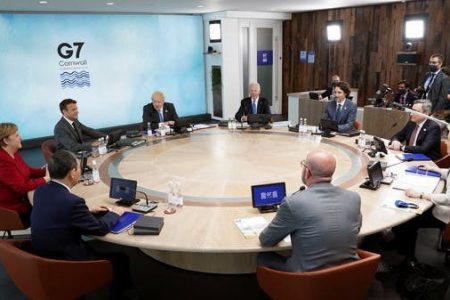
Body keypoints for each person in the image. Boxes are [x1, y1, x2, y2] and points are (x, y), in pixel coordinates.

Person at [31, 150, 133, 298]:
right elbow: (100, 229)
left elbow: (58, 214)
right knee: (120, 259)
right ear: (72, 173)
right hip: (67, 259)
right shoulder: (72, 202)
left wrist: (88, 212)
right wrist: (115, 213)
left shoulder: (41, 190)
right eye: (79, 168)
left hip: (42, 253)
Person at [257, 150, 362, 272]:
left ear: (307, 172)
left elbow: (266, 240)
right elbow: (356, 229)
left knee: (263, 257)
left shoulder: (293, 203)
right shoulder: (354, 198)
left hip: (307, 279)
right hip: (349, 273)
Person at [391, 132, 450, 261]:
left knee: (408, 220)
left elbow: (448, 199)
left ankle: (406, 257)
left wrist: (422, 194)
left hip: (445, 214)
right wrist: (433, 169)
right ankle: (398, 244)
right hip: (443, 205)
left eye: (449, 140)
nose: (446, 142)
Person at [0, 123, 47, 226]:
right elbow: (21, 187)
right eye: (16, 135)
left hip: (24, 200)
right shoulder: (2, 161)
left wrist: (48, 170)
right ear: (6, 141)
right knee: (51, 209)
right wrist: (46, 179)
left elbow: (28, 171)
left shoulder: (13, 153)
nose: (20, 138)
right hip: (14, 211)